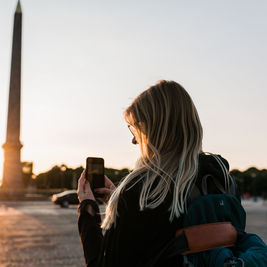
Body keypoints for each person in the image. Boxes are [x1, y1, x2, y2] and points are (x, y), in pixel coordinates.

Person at [77, 80, 235, 267]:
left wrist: (88, 209)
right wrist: (117, 203)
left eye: (136, 128)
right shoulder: (221, 181)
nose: (134, 141)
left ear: (155, 130)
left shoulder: (139, 192)